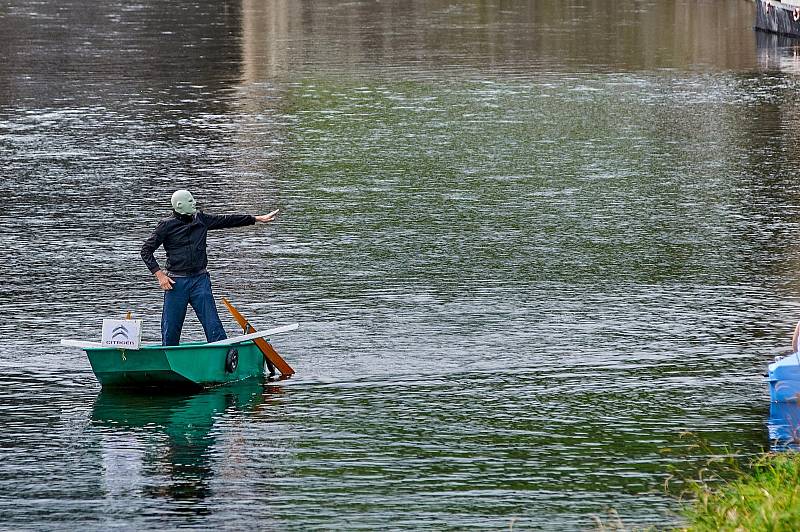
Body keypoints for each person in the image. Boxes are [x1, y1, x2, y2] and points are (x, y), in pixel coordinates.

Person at [141, 189, 278, 346]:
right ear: (179, 205)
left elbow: (226, 220)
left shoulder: (201, 219)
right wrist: (160, 276)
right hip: (176, 282)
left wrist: (256, 219)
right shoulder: (166, 226)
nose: (194, 203)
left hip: (200, 280)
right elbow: (146, 251)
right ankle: (168, 357)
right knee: (170, 327)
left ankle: (221, 353)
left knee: (213, 323)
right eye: (190, 201)